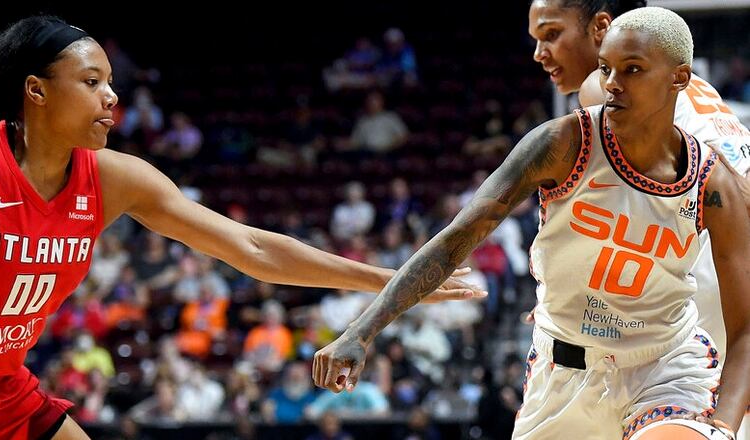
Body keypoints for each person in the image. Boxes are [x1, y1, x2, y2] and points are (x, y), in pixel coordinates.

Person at [0, 16, 484, 440]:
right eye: (92, 82)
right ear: (36, 90)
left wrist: (396, 281)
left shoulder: (115, 179)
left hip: (4, 389)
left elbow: (252, 247)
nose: (112, 97)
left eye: (112, 83)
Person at [314, 8, 750, 439]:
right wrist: (362, 330)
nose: (613, 83)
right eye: (606, 70)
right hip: (562, 372)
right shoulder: (563, 140)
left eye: (552, 34)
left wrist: (724, 427)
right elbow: (453, 241)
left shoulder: (708, 175)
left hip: (669, 358)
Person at [528, 0, 750, 357]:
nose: (540, 53)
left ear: (601, 28)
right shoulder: (679, 77)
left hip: (709, 256)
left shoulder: (601, 89)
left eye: (552, 34)